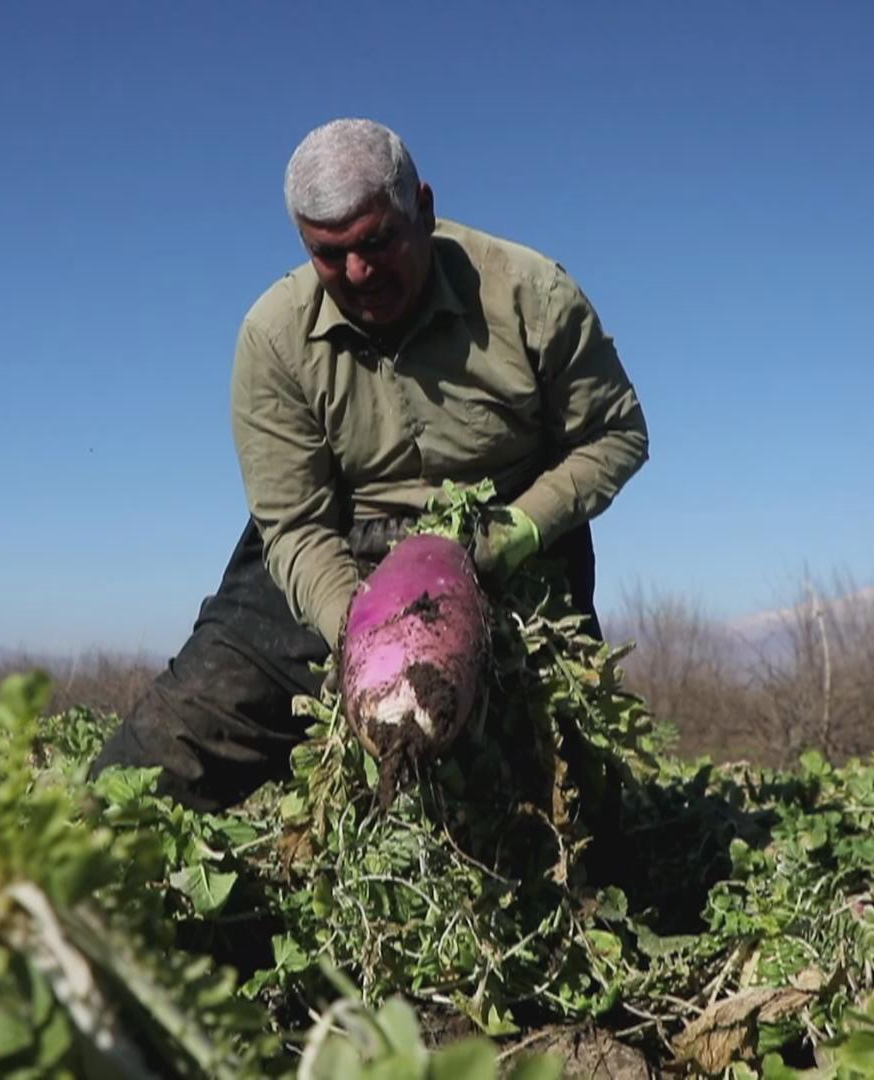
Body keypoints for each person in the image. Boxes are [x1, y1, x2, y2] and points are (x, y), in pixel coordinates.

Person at [93, 118, 649, 811]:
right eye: (330, 255)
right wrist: (359, 632)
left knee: (570, 812)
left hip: (511, 546)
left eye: (378, 241)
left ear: (424, 207)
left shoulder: (530, 294)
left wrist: (518, 533)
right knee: (143, 779)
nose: (359, 273)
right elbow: (292, 523)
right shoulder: (273, 336)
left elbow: (616, 434)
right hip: (338, 548)